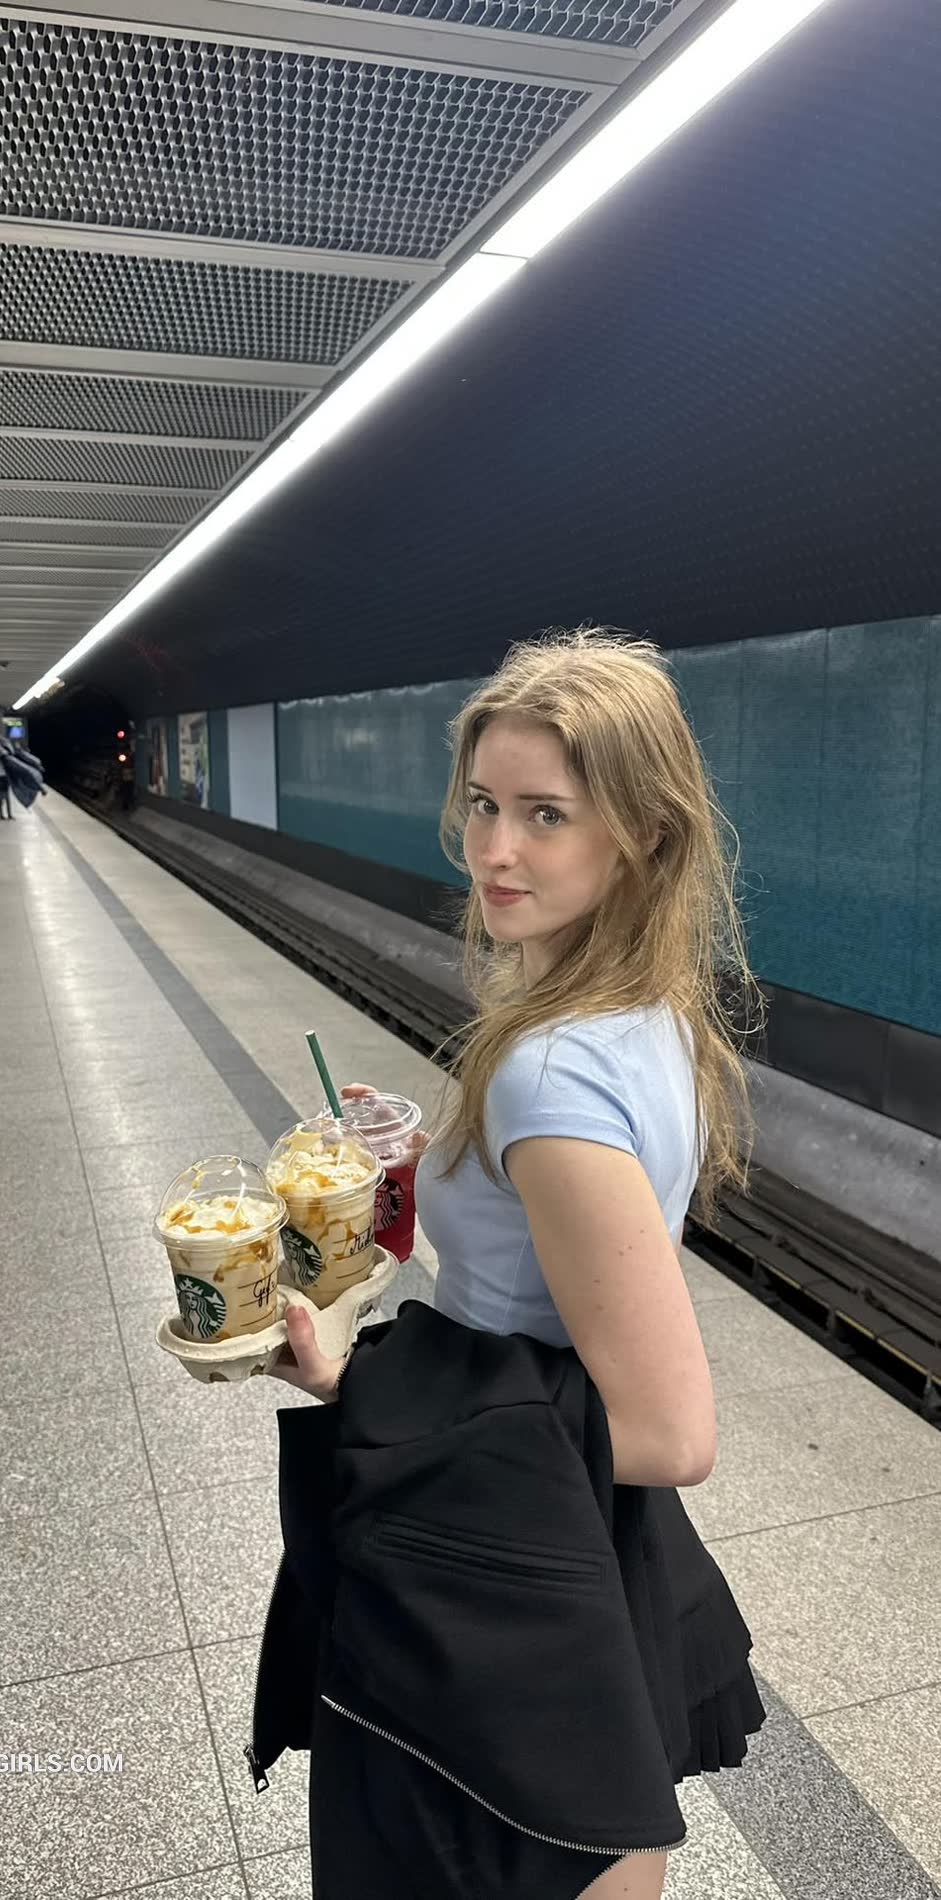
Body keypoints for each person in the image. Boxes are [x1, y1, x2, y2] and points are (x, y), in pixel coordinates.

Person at [268, 629, 763, 1899]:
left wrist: (354, 1385)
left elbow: (668, 1431)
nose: (495, 849)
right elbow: (540, 1260)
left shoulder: (550, 1073)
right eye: (484, 803)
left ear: (639, 833)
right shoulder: (644, 1014)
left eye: (547, 815)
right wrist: (424, 1170)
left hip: (503, 1555)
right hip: (579, 1531)